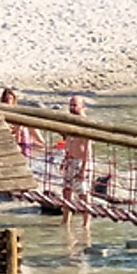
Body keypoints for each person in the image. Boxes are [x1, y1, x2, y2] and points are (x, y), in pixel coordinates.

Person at [61, 95, 92, 227]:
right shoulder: (70, 122)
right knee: (67, 192)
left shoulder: (85, 123)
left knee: (84, 194)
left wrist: (84, 169)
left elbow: (88, 148)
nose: (72, 108)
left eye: (75, 105)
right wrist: (65, 157)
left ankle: (86, 224)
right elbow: (69, 141)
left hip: (81, 162)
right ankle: (66, 220)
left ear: (82, 107)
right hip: (70, 160)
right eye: (71, 105)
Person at [0, 87, 37, 153]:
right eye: (7, 99)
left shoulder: (16, 110)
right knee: (22, 128)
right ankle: (21, 148)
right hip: (8, 132)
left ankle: (41, 143)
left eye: (10, 99)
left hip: (16, 131)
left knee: (29, 125)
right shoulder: (1, 111)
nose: (9, 101)